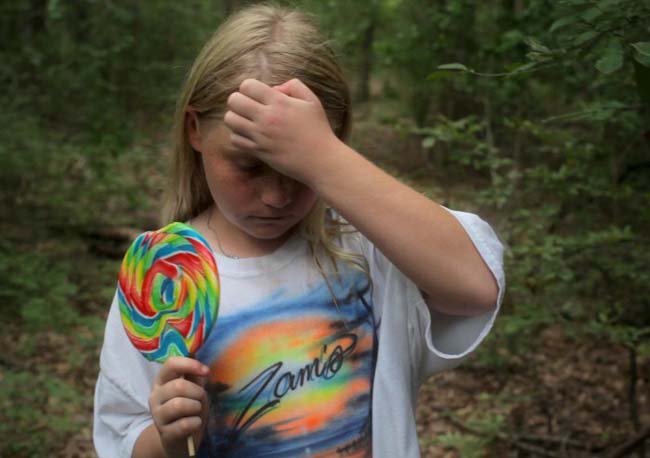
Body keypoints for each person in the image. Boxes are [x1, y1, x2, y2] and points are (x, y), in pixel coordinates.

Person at [93, 4, 505, 458]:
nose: (276, 197)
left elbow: (476, 288)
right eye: (250, 166)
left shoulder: (364, 246)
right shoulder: (164, 273)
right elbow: (122, 432)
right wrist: (168, 439)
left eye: (297, 170)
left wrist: (322, 158)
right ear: (195, 129)